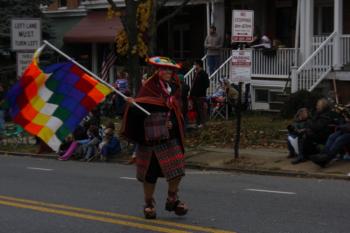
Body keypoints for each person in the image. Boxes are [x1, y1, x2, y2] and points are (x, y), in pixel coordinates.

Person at [121, 56, 188, 219]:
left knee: (177, 170)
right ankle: (149, 203)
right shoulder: (149, 88)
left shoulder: (175, 88)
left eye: (170, 70)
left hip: (169, 138)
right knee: (149, 175)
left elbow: (177, 112)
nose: (168, 72)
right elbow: (139, 108)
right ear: (157, 71)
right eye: (164, 69)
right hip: (150, 138)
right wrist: (132, 104)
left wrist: (171, 122)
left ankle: (172, 198)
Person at [190, 60, 209, 128]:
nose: (194, 66)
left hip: (201, 96)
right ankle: (198, 123)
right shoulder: (196, 74)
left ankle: (203, 123)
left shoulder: (203, 74)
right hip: (195, 96)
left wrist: (199, 90)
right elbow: (193, 84)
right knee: (197, 110)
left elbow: (207, 84)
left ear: (198, 65)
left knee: (201, 110)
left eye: (195, 64)